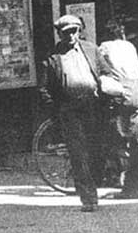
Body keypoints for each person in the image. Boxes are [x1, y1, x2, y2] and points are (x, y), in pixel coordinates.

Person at [42, 13, 113, 212]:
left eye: (74, 31)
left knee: (96, 150)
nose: (71, 36)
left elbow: (106, 72)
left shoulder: (91, 49)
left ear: (79, 31)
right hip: (69, 109)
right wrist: (56, 110)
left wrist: (106, 88)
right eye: (66, 32)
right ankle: (88, 198)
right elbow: (44, 88)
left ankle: (94, 185)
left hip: (94, 106)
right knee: (78, 153)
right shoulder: (53, 56)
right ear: (60, 34)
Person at [99, 17, 138, 200]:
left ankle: (121, 180)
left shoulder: (104, 47)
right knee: (136, 140)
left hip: (121, 93)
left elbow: (97, 69)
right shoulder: (130, 46)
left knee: (113, 136)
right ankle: (133, 184)